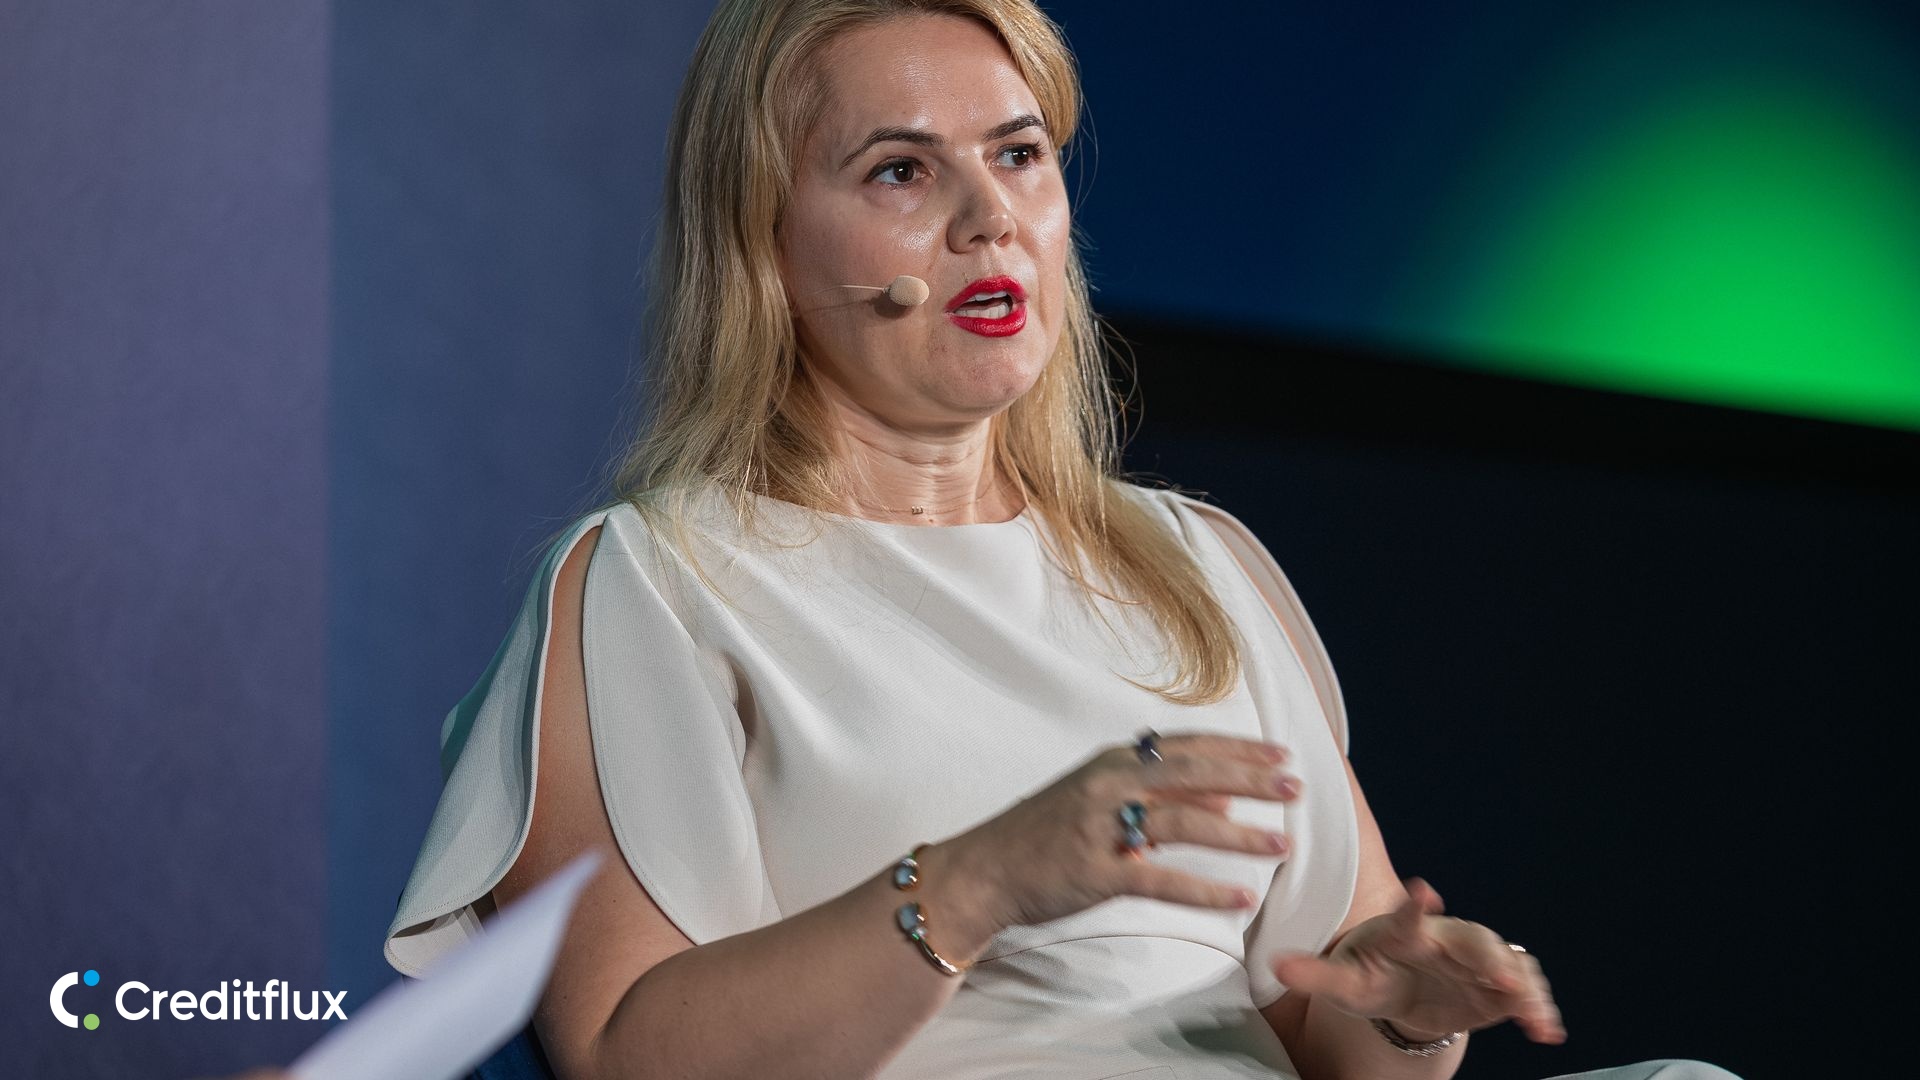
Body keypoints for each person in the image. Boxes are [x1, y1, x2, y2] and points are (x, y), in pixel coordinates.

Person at [382, 3, 1744, 1079]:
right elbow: (627, 1054)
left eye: (1019, 154)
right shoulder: (655, 582)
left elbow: (1330, 1027)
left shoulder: (1197, 564)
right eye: (902, 169)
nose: (990, 218)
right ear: (764, 247)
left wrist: (1401, 1011)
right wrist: (983, 881)